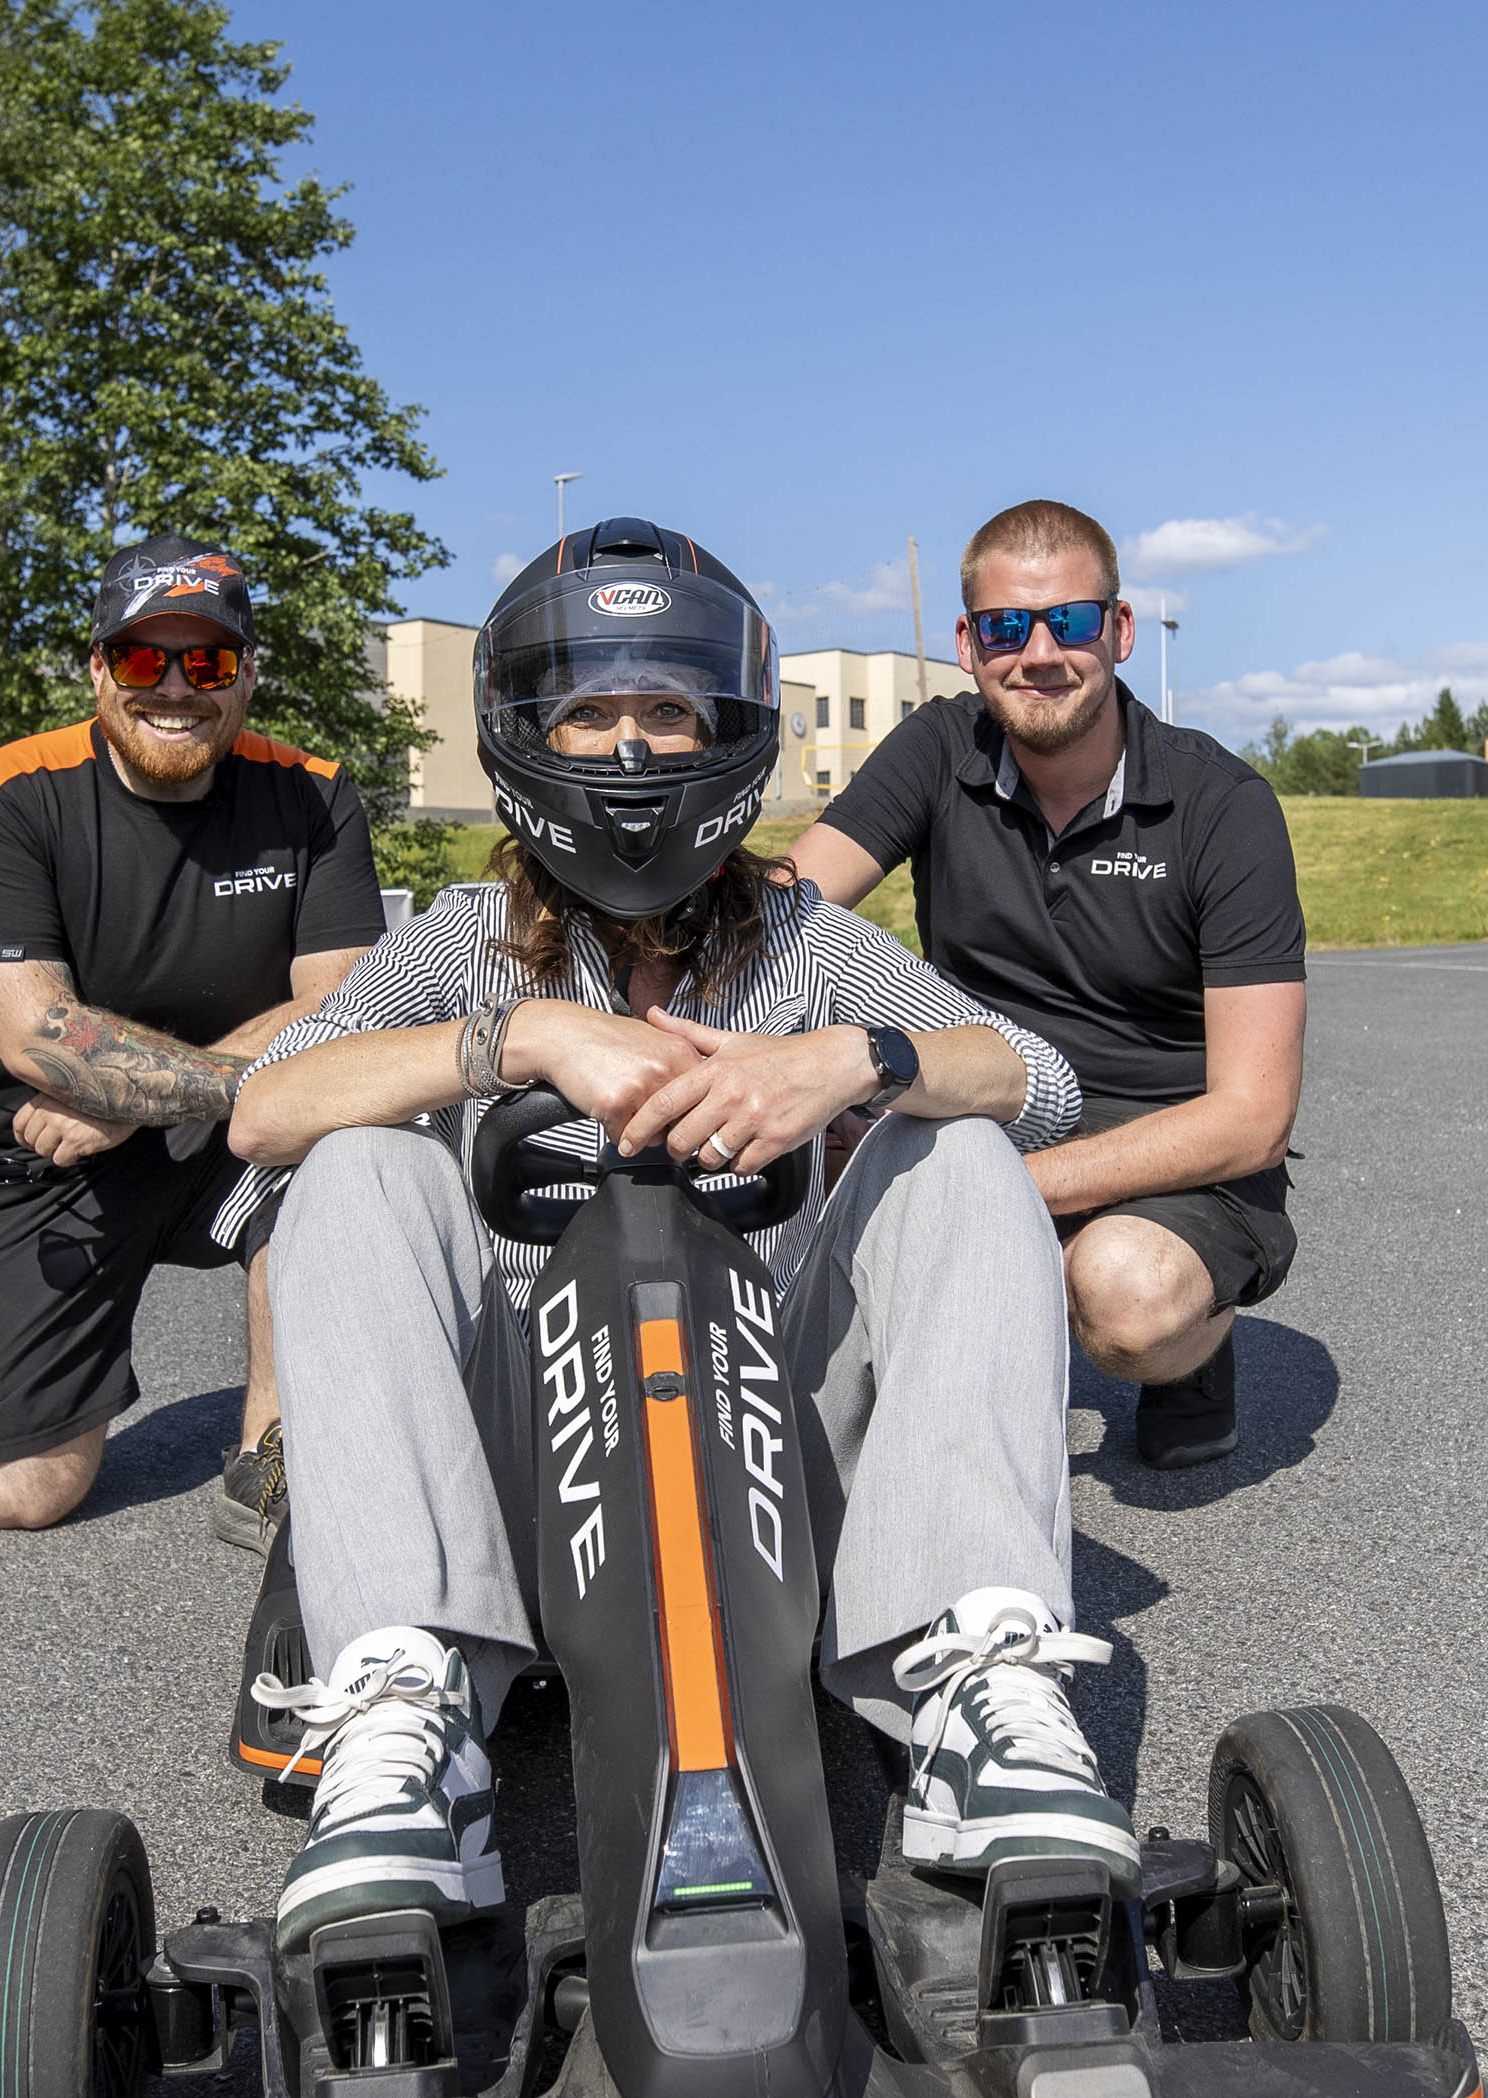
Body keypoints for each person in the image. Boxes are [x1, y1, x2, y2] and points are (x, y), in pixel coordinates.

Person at [218, 518, 1138, 1946]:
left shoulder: (799, 937)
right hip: (538, 1457)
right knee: (348, 1167)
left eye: (667, 710)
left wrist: (857, 1063)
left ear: (730, 734)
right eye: (593, 712)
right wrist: (513, 1038)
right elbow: (259, 1110)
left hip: (766, 1433)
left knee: (957, 1147)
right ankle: (409, 1704)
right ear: (530, 735)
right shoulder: (457, 941)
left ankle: (975, 1689)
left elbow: (1049, 1082)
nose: (634, 750)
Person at [0, 535, 381, 1538]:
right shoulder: (12, 791)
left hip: (176, 1123)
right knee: (26, 1489)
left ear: (248, 676)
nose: (177, 687)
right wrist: (129, 1095)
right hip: (36, 1150)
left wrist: (134, 1109)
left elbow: (345, 1004)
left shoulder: (312, 793)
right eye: (145, 659)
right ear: (98, 669)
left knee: (345, 1144)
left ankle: (271, 1462)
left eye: (209, 662)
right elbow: (38, 1037)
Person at [784, 499, 1307, 1471]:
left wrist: (997, 1194)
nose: (1035, 652)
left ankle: (1195, 1345)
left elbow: (1251, 1118)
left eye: (1067, 622)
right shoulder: (941, 749)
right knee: (783, 1135)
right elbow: (781, 909)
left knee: (1127, 1297)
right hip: (996, 1101)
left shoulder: (1220, 808)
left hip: (1174, 1154)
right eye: (1002, 627)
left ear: (1116, 631)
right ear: (965, 642)